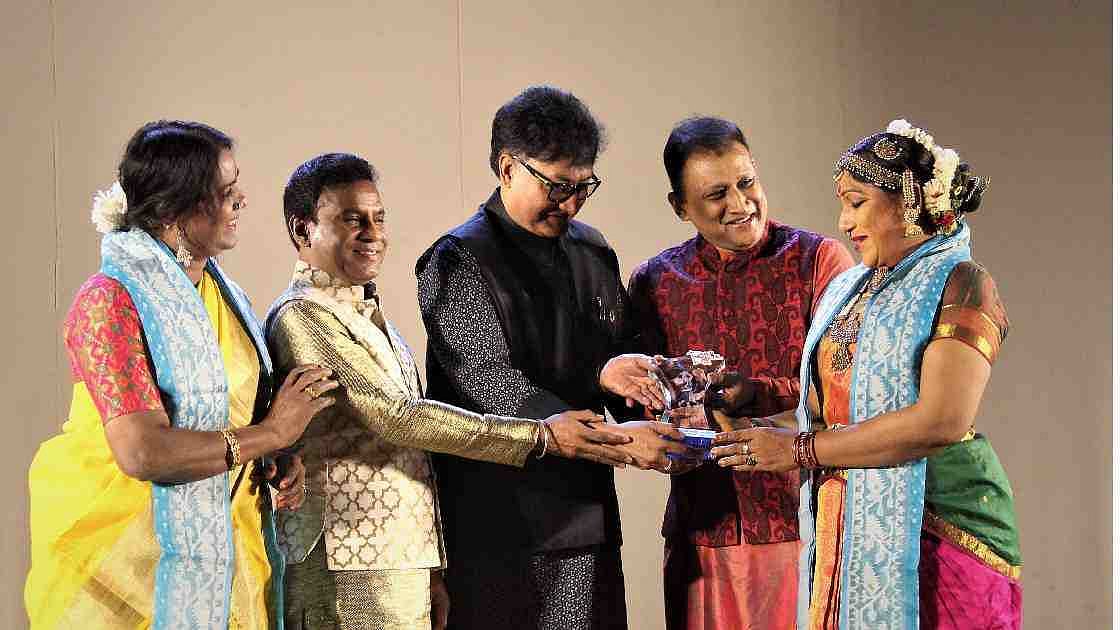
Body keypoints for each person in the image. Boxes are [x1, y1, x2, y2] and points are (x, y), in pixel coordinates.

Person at [265, 152, 636, 630]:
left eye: (378, 218)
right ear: (303, 230)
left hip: (401, 559)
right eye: (351, 220)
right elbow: (400, 419)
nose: (372, 233)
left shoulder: (366, 316)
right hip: (346, 559)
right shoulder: (304, 315)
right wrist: (539, 436)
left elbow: (410, 456)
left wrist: (435, 565)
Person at [711, 120, 1022, 629]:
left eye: (857, 203)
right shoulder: (850, 289)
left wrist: (797, 452)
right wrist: (759, 428)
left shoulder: (963, 283)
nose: (844, 221)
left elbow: (940, 421)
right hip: (846, 518)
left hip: (941, 521)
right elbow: (831, 413)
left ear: (907, 202)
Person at [25, 120, 336, 628]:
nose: (242, 201)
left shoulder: (226, 297)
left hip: (228, 556)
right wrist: (272, 432)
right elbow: (141, 451)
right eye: (225, 191)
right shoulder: (108, 301)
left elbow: (233, 417)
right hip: (119, 570)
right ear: (173, 208)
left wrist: (276, 458)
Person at [415, 85, 688, 630]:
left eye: (584, 186)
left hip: (587, 514)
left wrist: (645, 399)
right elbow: (491, 384)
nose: (571, 204)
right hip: (498, 525)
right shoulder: (457, 258)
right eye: (558, 186)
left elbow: (611, 358)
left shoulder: (592, 249)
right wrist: (617, 439)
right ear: (507, 167)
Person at [627, 116, 854, 630]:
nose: (740, 204)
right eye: (716, 195)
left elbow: (847, 390)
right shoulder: (655, 281)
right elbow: (638, 402)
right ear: (680, 208)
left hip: (802, 519)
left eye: (746, 183)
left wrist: (755, 395)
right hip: (702, 528)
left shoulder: (818, 261)